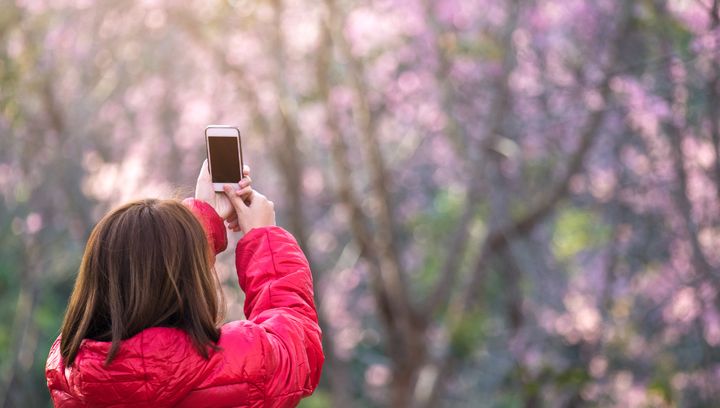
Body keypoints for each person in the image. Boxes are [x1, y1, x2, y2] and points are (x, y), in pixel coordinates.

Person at [45, 162, 324, 407]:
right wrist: (265, 239)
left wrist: (203, 218)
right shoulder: (231, 365)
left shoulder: (71, 373)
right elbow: (296, 345)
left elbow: (151, 263)